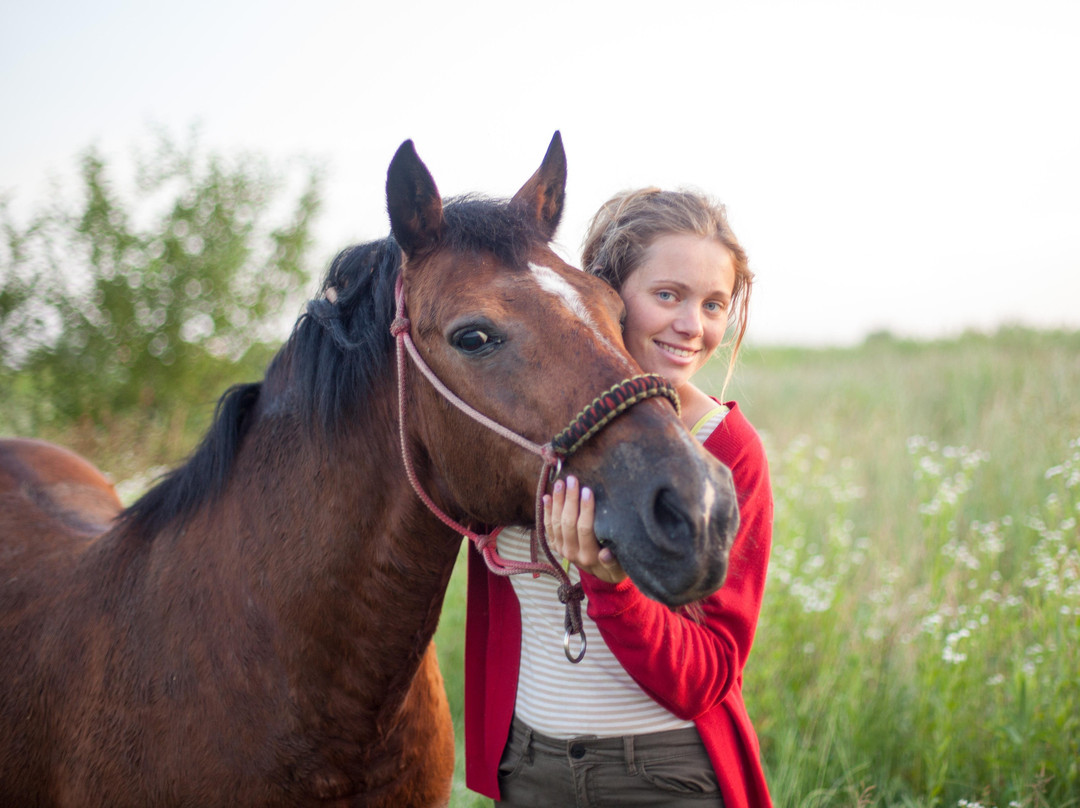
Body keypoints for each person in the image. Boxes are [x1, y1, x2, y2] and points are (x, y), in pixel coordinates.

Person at [465, 188, 774, 807]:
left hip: (663, 775)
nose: (693, 326)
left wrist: (612, 584)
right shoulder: (518, 423)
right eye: (668, 295)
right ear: (605, 293)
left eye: (714, 304)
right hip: (528, 769)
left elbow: (707, 677)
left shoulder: (727, 450)